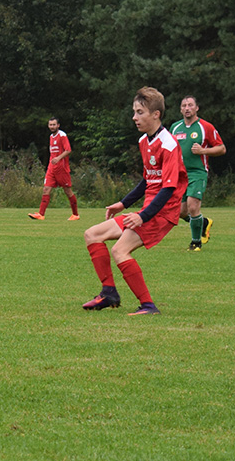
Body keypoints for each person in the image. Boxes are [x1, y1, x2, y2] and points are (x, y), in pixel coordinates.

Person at [81, 87, 187, 316]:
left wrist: (142, 216)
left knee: (120, 250)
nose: (134, 117)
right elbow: (147, 180)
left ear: (156, 114)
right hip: (147, 210)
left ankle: (148, 306)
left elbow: (168, 188)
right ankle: (109, 292)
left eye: (140, 112)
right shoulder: (144, 141)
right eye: (134, 112)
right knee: (92, 235)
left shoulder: (169, 144)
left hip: (162, 212)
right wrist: (123, 204)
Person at [170, 96, 226, 251]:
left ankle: (196, 243)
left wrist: (203, 151)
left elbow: (221, 148)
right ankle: (204, 223)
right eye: (184, 105)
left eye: (190, 105)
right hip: (180, 174)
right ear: (180, 109)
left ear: (196, 108)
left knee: (193, 206)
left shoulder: (205, 127)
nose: (187, 108)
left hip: (198, 172)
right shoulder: (175, 127)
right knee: (180, 212)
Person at [28, 117, 79, 221]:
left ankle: (75, 214)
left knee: (67, 191)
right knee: (46, 189)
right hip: (52, 168)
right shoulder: (51, 136)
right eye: (50, 125)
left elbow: (68, 150)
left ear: (58, 125)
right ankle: (41, 214)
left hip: (62, 168)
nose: (52, 126)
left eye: (54, 125)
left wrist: (58, 158)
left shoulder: (62, 135)